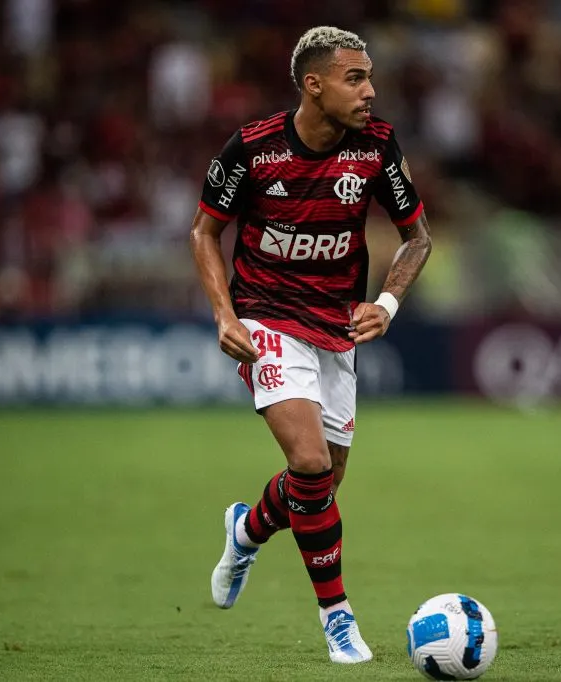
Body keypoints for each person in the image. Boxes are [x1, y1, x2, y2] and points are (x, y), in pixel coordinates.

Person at [189, 25, 432, 664]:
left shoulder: (377, 147)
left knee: (321, 481)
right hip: (266, 317)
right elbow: (202, 232)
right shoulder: (252, 148)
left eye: (370, 77)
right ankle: (338, 619)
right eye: (355, 78)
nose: (370, 91)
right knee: (311, 462)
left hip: (336, 328)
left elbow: (418, 237)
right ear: (313, 85)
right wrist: (224, 315)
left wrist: (385, 302)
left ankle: (246, 529)